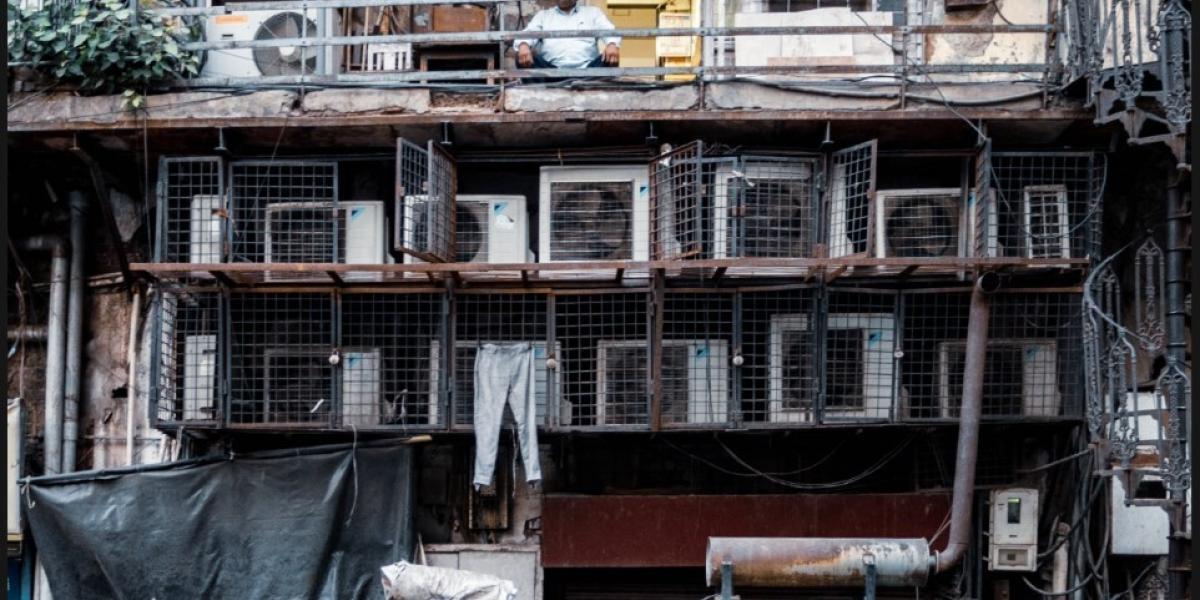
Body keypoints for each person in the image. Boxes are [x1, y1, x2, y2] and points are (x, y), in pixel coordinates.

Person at [514, 0, 621, 70]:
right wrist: (523, 45)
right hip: (551, 72)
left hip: (588, 71)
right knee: (521, 56)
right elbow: (529, 32)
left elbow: (608, 29)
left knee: (610, 58)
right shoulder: (543, 16)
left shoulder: (593, 13)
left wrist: (612, 44)